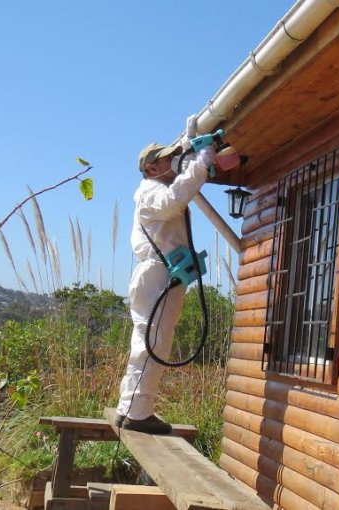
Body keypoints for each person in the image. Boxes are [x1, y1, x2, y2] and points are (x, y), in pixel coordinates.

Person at [114, 131, 217, 434]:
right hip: (159, 274)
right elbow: (174, 201)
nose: (173, 162)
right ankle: (138, 414)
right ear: (151, 169)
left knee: (147, 341)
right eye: (166, 160)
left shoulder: (152, 188)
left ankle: (129, 408)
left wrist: (189, 147)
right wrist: (201, 163)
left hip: (159, 273)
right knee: (154, 343)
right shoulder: (150, 190)